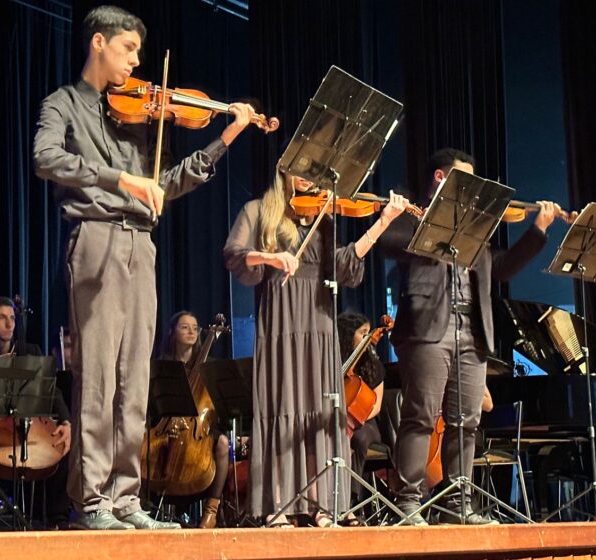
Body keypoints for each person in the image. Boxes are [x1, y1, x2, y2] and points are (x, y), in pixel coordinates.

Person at [32, 5, 255, 530]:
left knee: (136, 380)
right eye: (129, 48)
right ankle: (90, 503)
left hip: (141, 246)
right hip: (96, 239)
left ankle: (125, 499)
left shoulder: (135, 123)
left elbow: (166, 183)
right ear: (99, 43)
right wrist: (119, 180)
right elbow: (45, 158)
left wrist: (223, 140)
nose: (136, 60)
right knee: (99, 377)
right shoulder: (63, 104)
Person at [380, 148, 570, 525]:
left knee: (466, 421)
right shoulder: (415, 214)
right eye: (465, 180)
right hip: (426, 330)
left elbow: (501, 270)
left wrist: (538, 231)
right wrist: (431, 219)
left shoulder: (475, 227)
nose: (473, 190)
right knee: (420, 416)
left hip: (472, 330)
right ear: (441, 178)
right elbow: (389, 243)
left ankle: (458, 505)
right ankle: (408, 501)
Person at [224, 168, 409, 527]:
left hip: (319, 320)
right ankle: (279, 504)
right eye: (302, 169)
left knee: (320, 409)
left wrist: (383, 222)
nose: (309, 177)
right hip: (281, 320)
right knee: (284, 405)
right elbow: (234, 254)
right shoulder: (260, 210)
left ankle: (323, 505)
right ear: (283, 170)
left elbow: (344, 264)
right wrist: (270, 257)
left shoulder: (323, 217)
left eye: (315, 171)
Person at [0, 296, 72, 529]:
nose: (10, 324)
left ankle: (56, 519)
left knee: (60, 443)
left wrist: (67, 421)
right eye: (1, 318)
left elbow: (53, 391)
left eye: (12, 318)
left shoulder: (29, 351)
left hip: (25, 426)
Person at [157, 311, 229, 529]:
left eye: (195, 328)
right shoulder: (162, 366)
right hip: (166, 426)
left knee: (224, 444)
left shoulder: (210, 366)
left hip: (199, 429)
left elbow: (219, 408)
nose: (191, 332)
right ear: (172, 333)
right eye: (184, 327)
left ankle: (211, 510)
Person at [337, 311, 386, 505]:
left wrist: (357, 418)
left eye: (368, 332)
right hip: (338, 419)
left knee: (358, 438)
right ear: (348, 335)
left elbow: (377, 404)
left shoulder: (373, 366)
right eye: (362, 332)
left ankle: (351, 500)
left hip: (366, 422)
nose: (367, 336)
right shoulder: (334, 364)